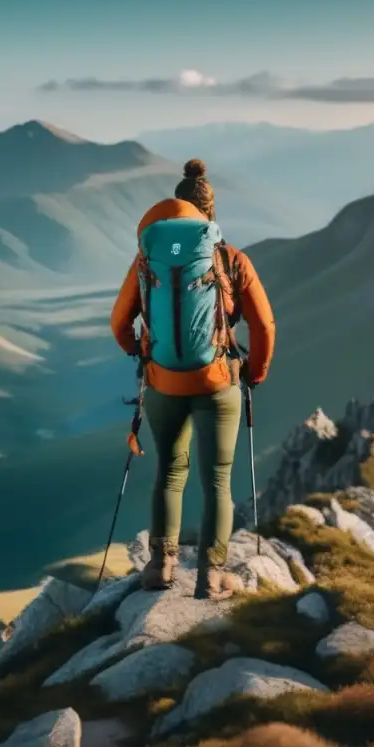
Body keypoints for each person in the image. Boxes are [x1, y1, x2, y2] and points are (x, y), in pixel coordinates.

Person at [110, 159, 276, 601]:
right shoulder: (232, 260)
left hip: (163, 382)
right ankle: (210, 576)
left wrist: (140, 353)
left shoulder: (147, 258)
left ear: (176, 208)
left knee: (169, 471)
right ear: (210, 212)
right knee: (217, 481)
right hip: (217, 382)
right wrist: (254, 374)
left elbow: (118, 323)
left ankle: (160, 566)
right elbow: (263, 326)